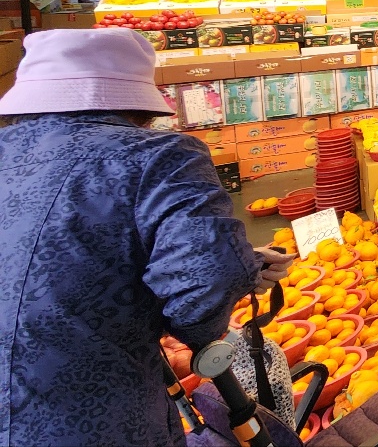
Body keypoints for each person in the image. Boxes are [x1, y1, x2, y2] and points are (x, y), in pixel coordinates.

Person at [0, 28, 289, 447]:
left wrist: (242, 261)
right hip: (86, 411)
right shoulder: (157, 157)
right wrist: (209, 311)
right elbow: (205, 282)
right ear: (138, 104)